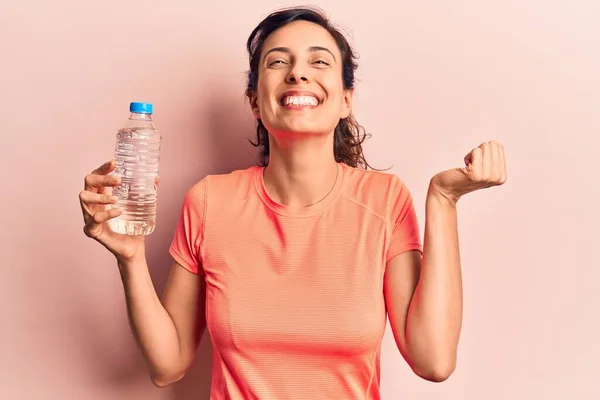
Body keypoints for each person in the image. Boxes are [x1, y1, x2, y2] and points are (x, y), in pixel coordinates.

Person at [79, 6, 507, 399]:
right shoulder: (209, 201)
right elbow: (167, 366)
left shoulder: (384, 200)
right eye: (278, 61)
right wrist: (130, 259)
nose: (297, 74)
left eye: (319, 61)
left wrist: (444, 199)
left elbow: (433, 360)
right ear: (254, 101)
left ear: (345, 100)